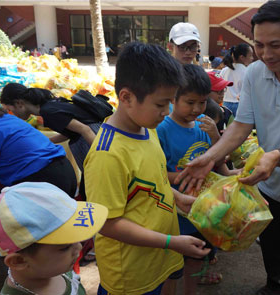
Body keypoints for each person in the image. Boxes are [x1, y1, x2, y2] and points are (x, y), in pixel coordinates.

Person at [176, 1, 280, 294]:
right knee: (270, 245)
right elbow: (241, 126)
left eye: (275, 45)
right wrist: (210, 157)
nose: (266, 54)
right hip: (266, 183)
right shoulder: (255, 72)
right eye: (259, 45)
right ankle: (272, 284)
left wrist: (278, 156)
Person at [84, 42, 211, 295]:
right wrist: (170, 242)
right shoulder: (108, 155)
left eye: (170, 103)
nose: (167, 112)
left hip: (156, 258)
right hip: (129, 274)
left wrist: (177, 198)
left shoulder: (147, 128)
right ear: (127, 97)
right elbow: (107, 223)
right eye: (161, 104)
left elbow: (153, 181)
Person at [157, 64, 229, 293]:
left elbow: (216, 160)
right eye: (190, 102)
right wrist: (181, 175)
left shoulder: (203, 126)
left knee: (196, 259)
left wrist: (216, 136)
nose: (198, 108)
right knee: (172, 268)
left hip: (201, 209)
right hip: (174, 212)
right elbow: (155, 173)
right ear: (173, 98)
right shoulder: (162, 130)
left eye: (203, 102)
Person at [0, 182, 107, 295]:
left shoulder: (55, 269)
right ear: (18, 261)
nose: (79, 247)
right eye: (65, 247)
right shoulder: (53, 267)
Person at [0, 83, 102, 198]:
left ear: (19, 103)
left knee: (91, 191)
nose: (12, 114)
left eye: (10, 110)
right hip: (92, 140)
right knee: (87, 191)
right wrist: (45, 140)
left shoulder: (49, 112)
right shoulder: (49, 106)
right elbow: (69, 133)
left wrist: (101, 157)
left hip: (94, 142)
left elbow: (85, 129)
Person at [220, 43, 254, 115]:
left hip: (225, 103)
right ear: (242, 57)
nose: (252, 58)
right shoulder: (247, 71)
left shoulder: (224, 70)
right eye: (250, 56)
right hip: (241, 104)